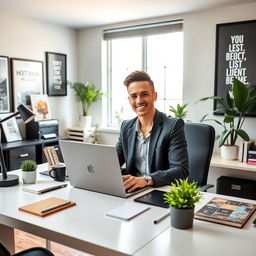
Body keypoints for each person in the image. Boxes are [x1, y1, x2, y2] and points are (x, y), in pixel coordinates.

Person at [116, 70, 188, 192]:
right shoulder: (126, 127)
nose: (139, 101)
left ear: (154, 96)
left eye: (144, 94)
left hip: (160, 191)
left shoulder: (173, 125)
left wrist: (146, 179)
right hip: (132, 191)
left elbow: (181, 170)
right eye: (134, 96)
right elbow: (113, 161)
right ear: (129, 100)